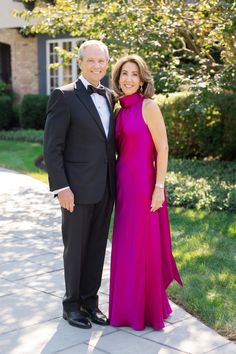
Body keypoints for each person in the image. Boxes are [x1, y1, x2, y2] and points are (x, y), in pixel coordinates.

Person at [44, 40, 116, 329]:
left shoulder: (110, 96)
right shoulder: (64, 96)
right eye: (91, 61)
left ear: (107, 63)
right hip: (75, 190)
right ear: (80, 62)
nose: (97, 66)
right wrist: (62, 188)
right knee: (75, 249)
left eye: (102, 61)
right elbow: (52, 148)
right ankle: (71, 305)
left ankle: (90, 302)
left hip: (105, 188)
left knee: (97, 247)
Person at [109, 54, 183, 330]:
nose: (128, 79)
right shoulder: (118, 109)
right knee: (127, 247)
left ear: (142, 80)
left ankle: (148, 309)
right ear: (117, 78)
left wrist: (159, 188)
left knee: (144, 246)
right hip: (124, 187)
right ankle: (125, 309)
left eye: (134, 75)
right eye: (124, 74)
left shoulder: (149, 106)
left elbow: (162, 147)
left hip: (144, 185)